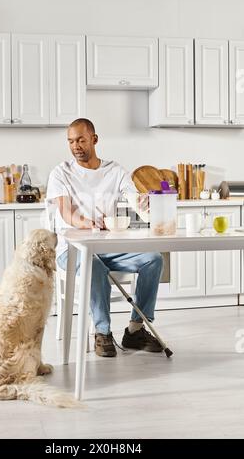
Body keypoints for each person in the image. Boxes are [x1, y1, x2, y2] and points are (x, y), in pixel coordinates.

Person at [47, 118, 163, 357]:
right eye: (71, 141)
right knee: (94, 264)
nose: (75, 146)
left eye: (81, 140)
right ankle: (102, 332)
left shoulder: (115, 170)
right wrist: (85, 223)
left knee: (154, 258)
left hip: (108, 246)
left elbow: (133, 198)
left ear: (94, 139)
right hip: (71, 250)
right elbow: (66, 212)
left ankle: (135, 330)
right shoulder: (61, 173)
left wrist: (142, 203)